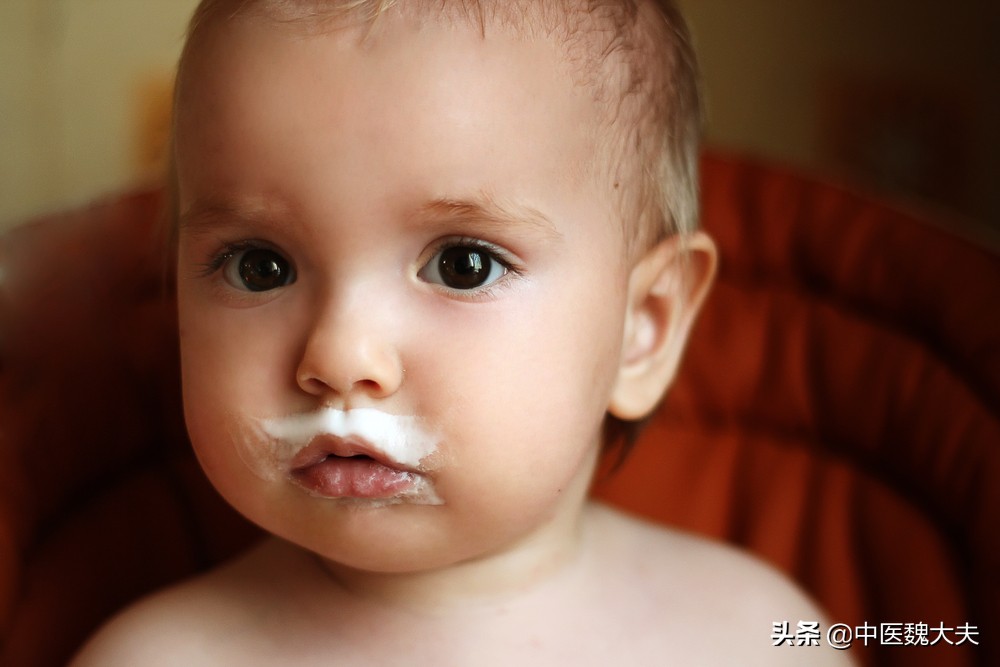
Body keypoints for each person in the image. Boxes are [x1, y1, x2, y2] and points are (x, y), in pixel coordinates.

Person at [72, 1, 852, 664]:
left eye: (463, 264)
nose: (340, 356)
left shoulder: (755, 635)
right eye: (259, 266)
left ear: (640, 328)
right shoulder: (159, 655)